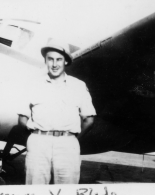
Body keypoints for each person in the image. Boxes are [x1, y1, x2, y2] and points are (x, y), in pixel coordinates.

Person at [18, 39, 96, 184]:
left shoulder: (78, 86)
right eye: (50, 59)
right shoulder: (33, 84)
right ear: (45, 61)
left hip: (67, 144)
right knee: (35, 189)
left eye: (59, 59)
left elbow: (89, 119)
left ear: (66, 61)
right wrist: (34, 138)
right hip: (38, 143)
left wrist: (72, 140)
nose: (54, 64)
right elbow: (22, 119)